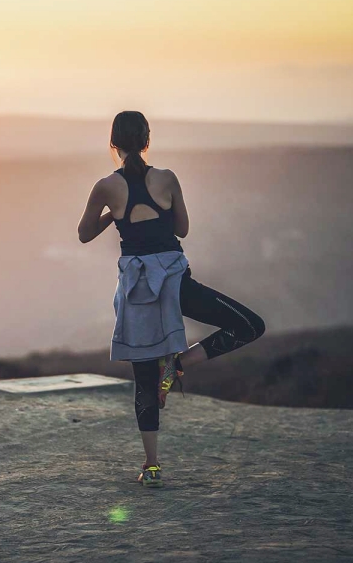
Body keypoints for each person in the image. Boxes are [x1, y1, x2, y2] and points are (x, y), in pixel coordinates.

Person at [77, 111, 265, 488]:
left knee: (143, 379)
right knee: (249, 325)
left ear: (113, 143)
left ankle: (151, 466)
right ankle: (181, 362)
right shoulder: (167, 179)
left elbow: (84, 234)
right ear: (147, 140)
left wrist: (115, 216)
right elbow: (182, 228)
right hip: (175, 282)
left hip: (136, 291)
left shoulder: (104, 186)